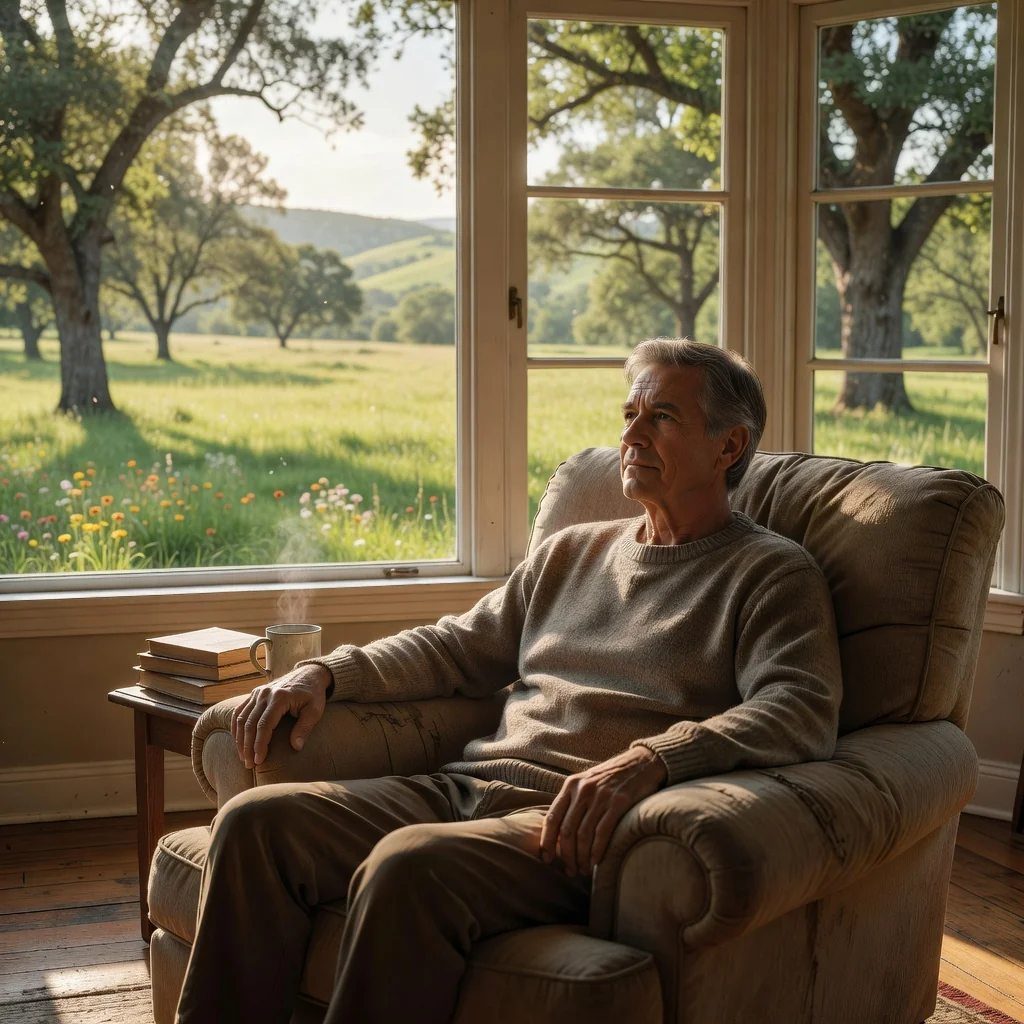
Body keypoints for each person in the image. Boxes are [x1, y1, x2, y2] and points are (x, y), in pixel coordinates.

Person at [176, 338, 842, 1024]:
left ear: (728, 447)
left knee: (408, 864)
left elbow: (801, 708)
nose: (630, 435)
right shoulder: (572, 552)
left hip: (571, 829)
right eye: (629, 414)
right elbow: (454, 647)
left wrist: (654, 758)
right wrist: (325, 673)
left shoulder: (771, 574)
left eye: (661, 417)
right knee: (254, 824)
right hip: (465, 789)